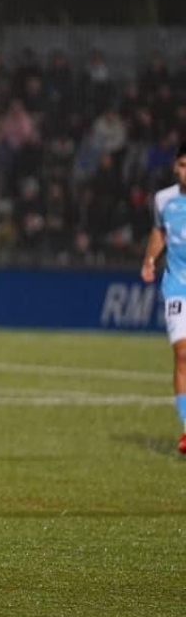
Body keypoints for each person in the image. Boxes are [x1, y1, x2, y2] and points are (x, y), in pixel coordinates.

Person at [139, 143, 186, 453]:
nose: (185, 171)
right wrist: (149, 260)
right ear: (175, 166)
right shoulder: (163, 199)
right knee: (183, 353)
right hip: (177, 286)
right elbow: (160, 232)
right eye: (182, 164)